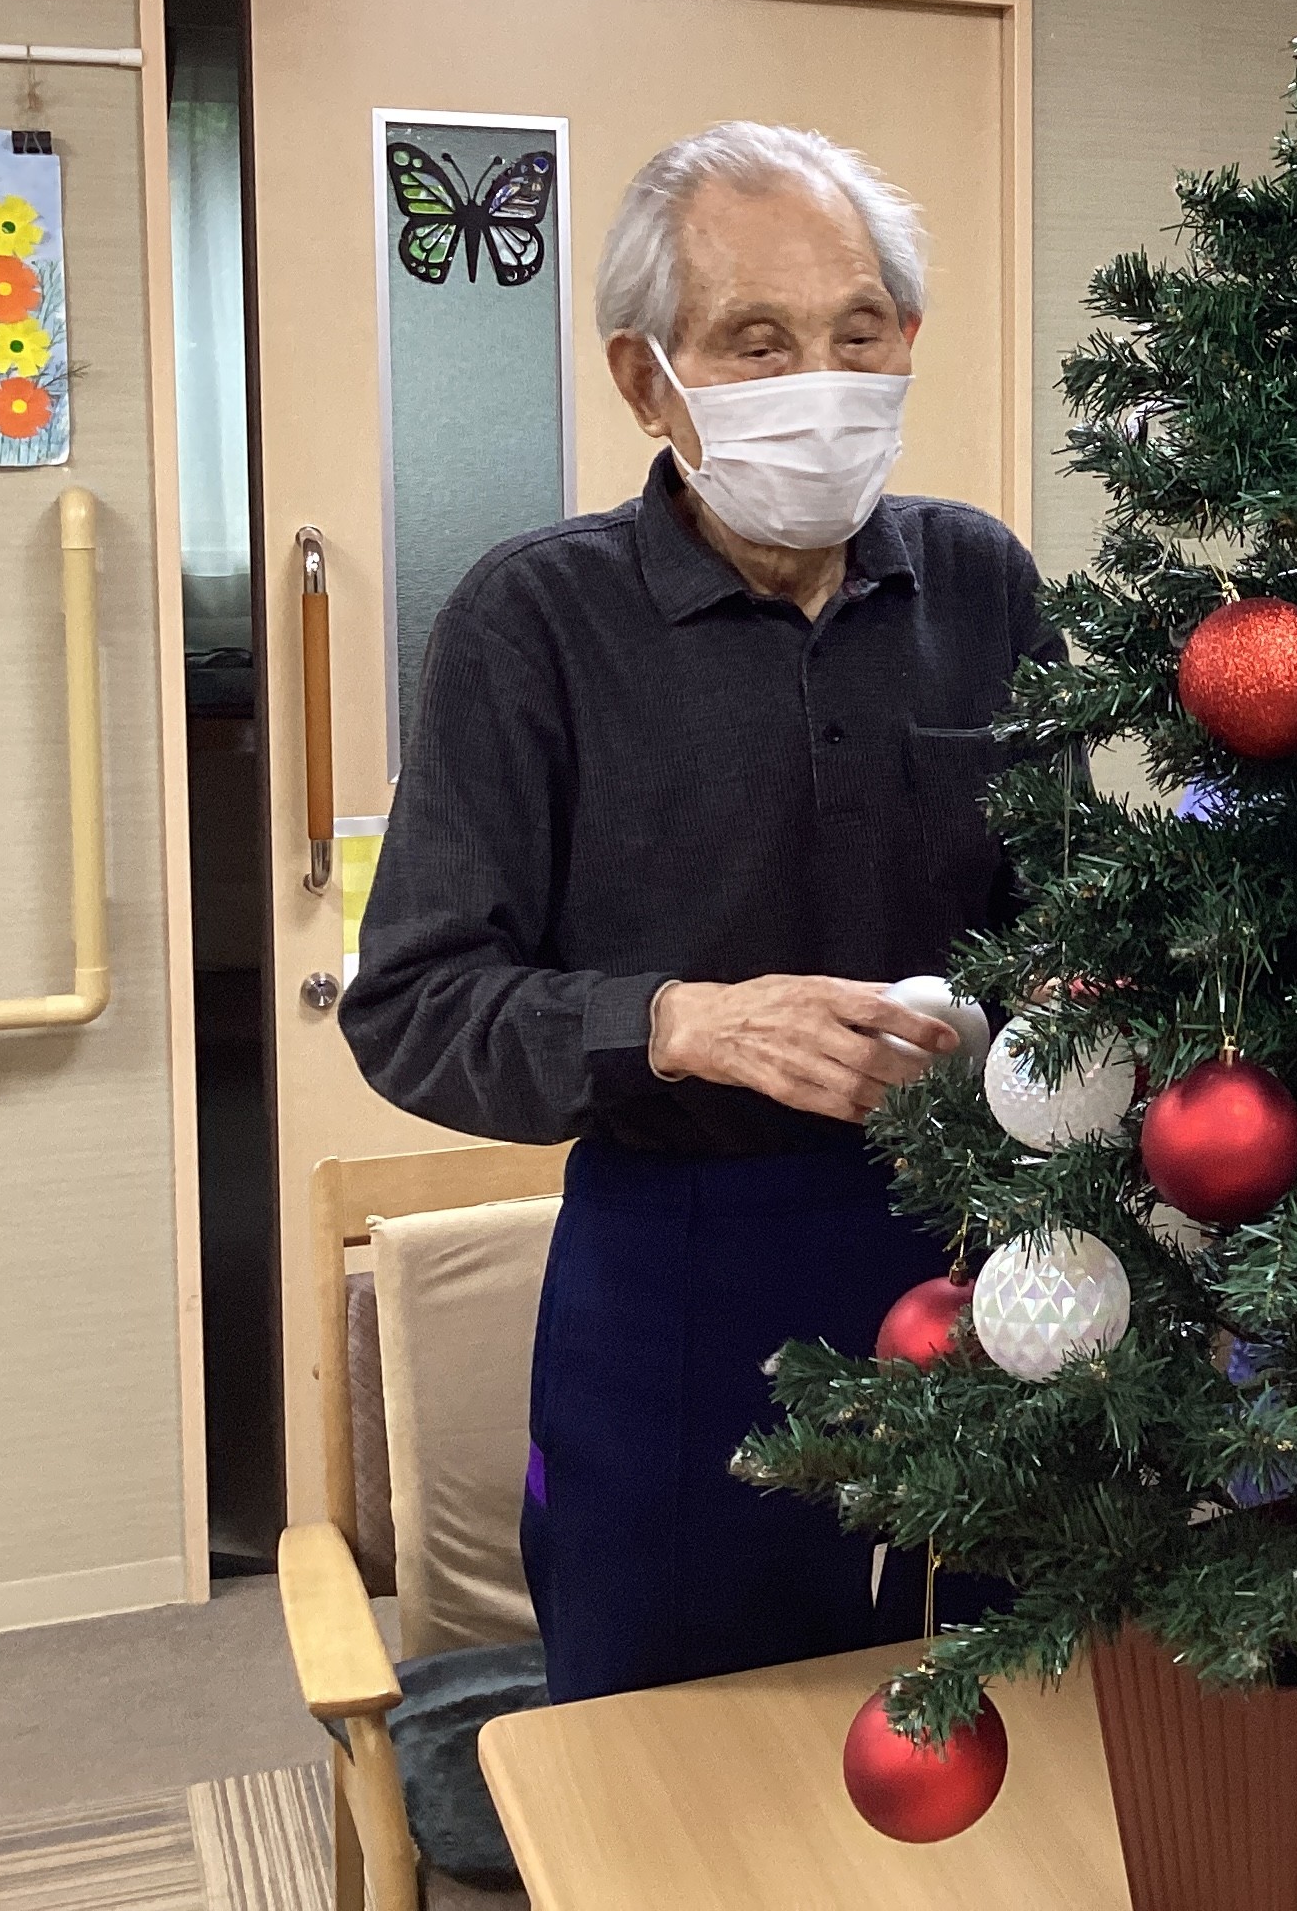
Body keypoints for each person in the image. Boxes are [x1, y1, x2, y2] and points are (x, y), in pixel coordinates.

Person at [341, 121, 1054, 1701]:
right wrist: (679, 1021)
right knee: (667, 1745)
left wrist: (1056, 1004)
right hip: (675, 1275)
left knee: (995, 1706)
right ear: (646, 381)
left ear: (909, 340)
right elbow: (413, 1005)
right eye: (757, 342)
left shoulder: (981, 583)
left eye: (856, 334)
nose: (822, 379)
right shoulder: (533, 620)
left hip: (975, 1243)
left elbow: (1063, 913)